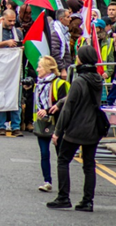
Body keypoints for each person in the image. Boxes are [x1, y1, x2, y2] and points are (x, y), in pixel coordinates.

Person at [47, 45, 105, 212]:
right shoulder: (97, 79)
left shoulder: (79, 80)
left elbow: (68, 108)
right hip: (93, 127)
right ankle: (88, 201)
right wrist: (59, 103)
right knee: (89, 165)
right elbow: (73, 97)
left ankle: (63, 197)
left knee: (63, 160)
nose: (76, 59)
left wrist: (58, 132)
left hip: (77, 128)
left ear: (82, 59)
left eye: (78, 56)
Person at [33, 56, 69, 193]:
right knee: (44, 153)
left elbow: (63, 104)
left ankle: (63, 184)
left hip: (57, 124)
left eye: (40, 67)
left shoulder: (60, 84)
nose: (37, 69)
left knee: (60, 155)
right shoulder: (38, 84)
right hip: (42, 123)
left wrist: (47, 111)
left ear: (48, 69)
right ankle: (47, 181)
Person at [0, 9, 24, 136]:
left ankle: (16, 126)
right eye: (10, 20)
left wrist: (20, 48)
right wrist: (6, 43)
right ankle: (1, 126)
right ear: (3, 19)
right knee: (0, 97)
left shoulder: (18, 32)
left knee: (15, 99)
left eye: (14, 20)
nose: (12, 23)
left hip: (14, 70)